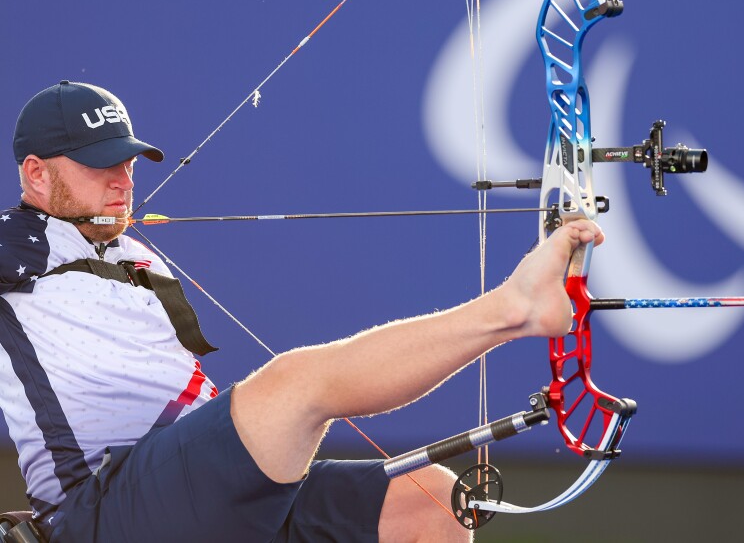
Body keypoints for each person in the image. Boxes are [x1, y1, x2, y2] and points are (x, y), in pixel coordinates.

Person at [0, 81, 605, 542]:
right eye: (99, 164)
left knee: (431, 501)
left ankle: (519, 309)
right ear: (35, 174)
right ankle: (515, 309)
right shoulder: (12, 251)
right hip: (103, 511)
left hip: (200, 492)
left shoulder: (135, 258)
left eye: (127, 163)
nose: (122, 181)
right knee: (295, 383)